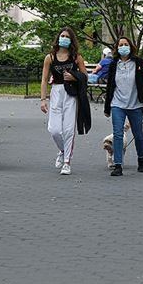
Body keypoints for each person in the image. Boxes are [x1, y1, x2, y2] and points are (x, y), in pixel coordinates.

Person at [40, 27, 89, 176]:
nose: (64, 38)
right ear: (58, 38)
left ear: (71, 40)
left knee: (68, 130)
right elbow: (44, 79)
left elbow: (85, 76)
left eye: (67, 36)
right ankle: (62, 150)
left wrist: (74, 77)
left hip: (71, 95)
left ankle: (67, 161)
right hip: (56, 92)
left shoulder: (76, 57)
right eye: (62, 36)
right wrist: (43, 99)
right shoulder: (50, 57)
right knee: (54, 130)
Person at [103, 36, 143, 176]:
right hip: (117, 104)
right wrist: (107, 107)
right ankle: (118, 165)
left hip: (135, 104)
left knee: (138, 135)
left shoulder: (139, 63)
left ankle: (141, 159)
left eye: (126, 44)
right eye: (120, 45)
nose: (123, 47)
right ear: (117, 48)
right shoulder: (114, 64)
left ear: (130, 47)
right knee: (118, 134)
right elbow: (110, 86)